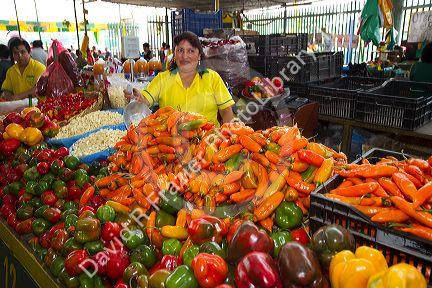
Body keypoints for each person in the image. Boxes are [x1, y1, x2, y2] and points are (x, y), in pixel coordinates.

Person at [125, 31, 234, 126]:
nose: (185, 56)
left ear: (199, 55)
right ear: (174, 54)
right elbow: (145, 100)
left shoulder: (212, 78)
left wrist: (227, 136)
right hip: (171, 144)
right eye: (180, 50)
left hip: (208, 143)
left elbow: (226, 111)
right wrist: (137, 97)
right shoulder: (162, 79)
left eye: (191, 51)